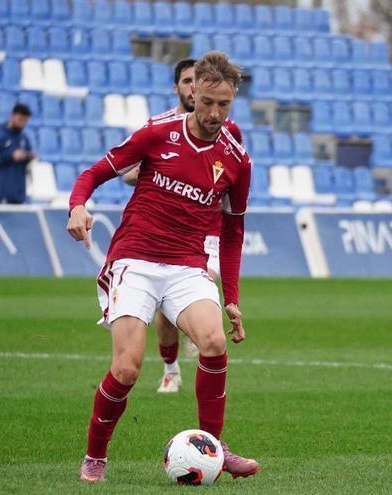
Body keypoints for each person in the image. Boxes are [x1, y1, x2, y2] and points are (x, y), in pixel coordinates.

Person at [67, 51, 260, 483]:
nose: (213, 113)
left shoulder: (236, 159)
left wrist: (231, 300)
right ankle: (95, 455)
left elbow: (233, 232)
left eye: (223, 105)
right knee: (127, 368)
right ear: (192, 92)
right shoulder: (158, 134)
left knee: (213, 342)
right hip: (133, 259)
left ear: (233, 100)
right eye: (206, 101)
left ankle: (213, 447)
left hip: (187, 265)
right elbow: (95, 172)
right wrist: (78, 205)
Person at [122, 58, 244, 394]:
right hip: (163, 234)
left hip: (208, 231)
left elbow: (229, 177)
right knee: (163, 316)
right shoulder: (159, 126)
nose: (196, 88)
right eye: (189, 81)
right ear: (183, 87)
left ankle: (200, 329)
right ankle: (171, 367)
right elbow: (128, 171)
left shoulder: (230, 133)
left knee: (208, 284)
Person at [0, 103, 35, 204]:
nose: (23, 124)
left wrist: (28, 156)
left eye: (25, 121)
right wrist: (10, 155)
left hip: (18, 195)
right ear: (12, 115)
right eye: (21, 120)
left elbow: (27, 154)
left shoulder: (24, 138)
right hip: (2, 194)